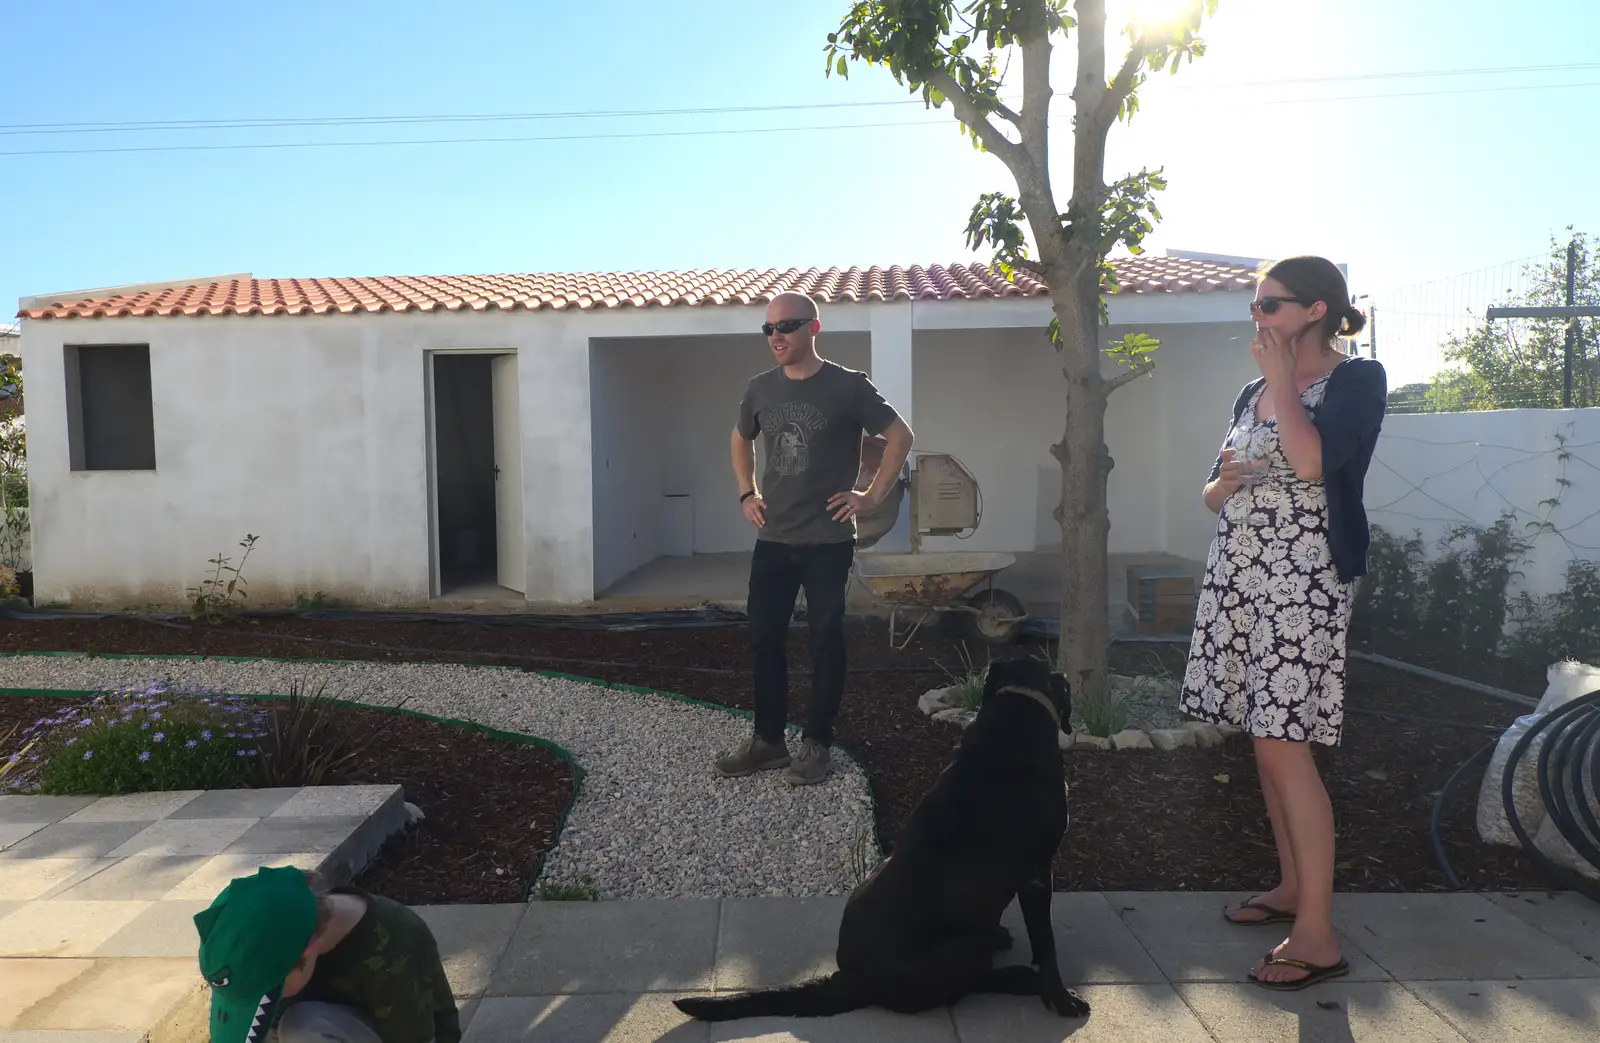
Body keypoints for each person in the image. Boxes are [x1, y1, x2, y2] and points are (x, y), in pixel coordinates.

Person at [1178, 255, 1387, 991]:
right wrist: (1223, 481)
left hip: (1305, 581)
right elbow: (1212, 490)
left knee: (1285, 743)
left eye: (1270, 305)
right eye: (1255, 306)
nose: (1257, 317)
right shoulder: (1249, 391)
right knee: (1265, 745)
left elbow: (1309, 463)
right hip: (1241, 572)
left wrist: (1280, 382)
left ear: (1318, 309)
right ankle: (1294, 888)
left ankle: (1320, 934)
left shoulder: (1357, 380)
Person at [717, 290, 913, 786]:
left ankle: (817, 743)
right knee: (763, 640)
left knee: (826, 642)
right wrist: (747, 492)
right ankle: (768, 742)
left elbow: (901, 437)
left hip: (828, 542)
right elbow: (741, 437)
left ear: (814, 329)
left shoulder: (848, 387)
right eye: (769, 328)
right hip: (774, 539)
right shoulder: (759, 389)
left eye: (786, 326)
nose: (776, 336)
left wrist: (870, 495)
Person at [193, 864, 460, 1043]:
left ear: (309, 949)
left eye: (267, 990)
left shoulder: (392, 947)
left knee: (302, 1027)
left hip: (402, 1035)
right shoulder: (281, 941)